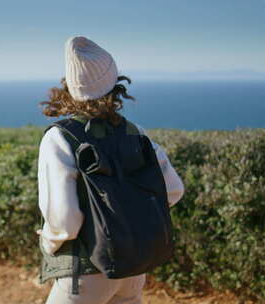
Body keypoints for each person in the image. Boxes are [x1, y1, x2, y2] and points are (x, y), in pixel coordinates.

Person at [36, 36, 185, 304]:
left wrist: (47, 242)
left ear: (69, 86)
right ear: (115, 83)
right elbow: (173, 190)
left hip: (86, 272)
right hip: (133, 269)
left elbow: (64, 222)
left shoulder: (60, 138)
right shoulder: (136, 134)